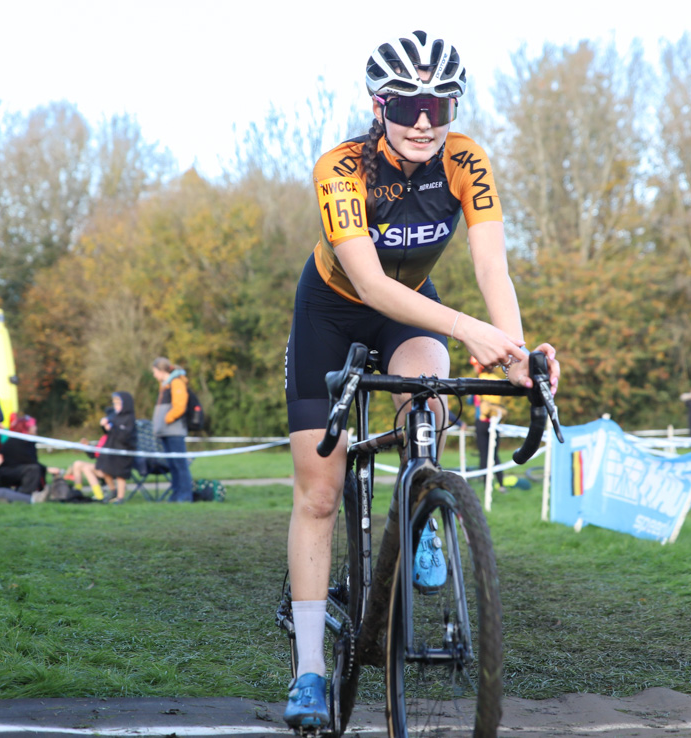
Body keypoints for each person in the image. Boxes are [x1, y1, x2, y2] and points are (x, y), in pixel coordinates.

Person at [281, 31, 560, 729]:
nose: (425, 122)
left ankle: (422, 508)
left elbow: (492, 267)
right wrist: (469, 330)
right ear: (380, 106)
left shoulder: (465, 159)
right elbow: (370, 283)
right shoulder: (342, 168)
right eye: (409, 106)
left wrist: (516, 353)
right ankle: (309, 671)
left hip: (410, 310)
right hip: (332, 311)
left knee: (427, 400)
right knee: (320, 492)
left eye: (441, 105)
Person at [69, 393, 137, 503]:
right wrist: (88, 446)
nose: (116, 406)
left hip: (121, 455)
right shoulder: (111, 425)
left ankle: (120, 497)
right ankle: (109, 492)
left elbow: (125, 437)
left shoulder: (129, 419)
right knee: (101, 468)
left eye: (118, 403)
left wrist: (112, 428)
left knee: (119, 474)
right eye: (114, 403)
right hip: (108, 457)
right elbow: (98, 451)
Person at [151, 358, 194, 503]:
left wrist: (167, 419)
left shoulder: (176, 383)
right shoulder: (165, 385)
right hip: (165, 432)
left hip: (174, 431)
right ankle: (176, 494)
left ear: (161, 371)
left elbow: (180, 406)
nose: (154, 375)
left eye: (155, 371)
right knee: (172, 465)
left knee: (180, 464)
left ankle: (185, 495)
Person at [0, 413, 61, 495]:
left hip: (21, 470)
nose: (35, 428)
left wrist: (45, 469)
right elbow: (27, 460)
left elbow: (33, 461)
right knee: (33, 469)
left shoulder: (30, 443)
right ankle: (25, 495)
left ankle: (41, 491)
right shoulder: (14, 442)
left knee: (37, 468)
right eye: (33, 426)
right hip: (7, 473)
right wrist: (48, 468)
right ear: (25, 428)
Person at [471, 359, 507, 491]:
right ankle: (501, 485)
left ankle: (487, 486)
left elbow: (471, 401)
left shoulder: (477, 380)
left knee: (484, 454)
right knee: (495, 455)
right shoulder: (497, 379)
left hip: (481, 421)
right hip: (495, 421)